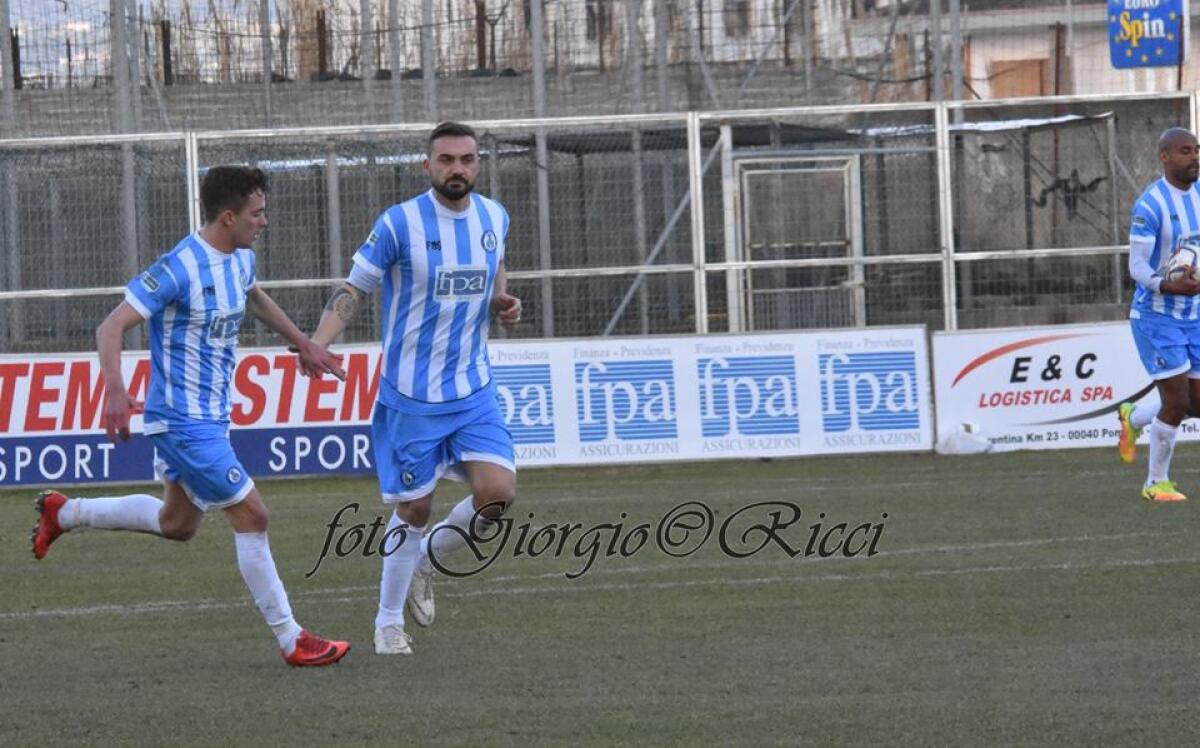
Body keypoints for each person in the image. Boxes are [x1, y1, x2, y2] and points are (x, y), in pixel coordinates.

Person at [30, 166, 352, 667]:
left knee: (177, 524)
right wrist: (115, 390)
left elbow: (253, 295)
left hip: (211, 417)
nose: (264, 221)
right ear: (228, 217)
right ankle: (292, 639)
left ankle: (65, 513)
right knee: (253, 515)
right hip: (182, 421)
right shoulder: (179, 267)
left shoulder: (240, 258)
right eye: (257, 213)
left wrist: (304, 343)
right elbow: (110, 327)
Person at [309, 121, 521, 655]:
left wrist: (501, 300)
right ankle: (387, 623)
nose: (457, 168)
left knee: (497, 494)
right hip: (411, 395)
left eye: (467, 159)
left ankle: (429, 559)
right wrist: (318, 344)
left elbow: (496, 269)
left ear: (478, 164)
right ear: (427, 166)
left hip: (472, 388)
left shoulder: (494, 216)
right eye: (446, 159)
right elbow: (354, 289)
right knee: (414, 510)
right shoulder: (398, 223)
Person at [1120, 127, 1200, 501]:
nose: (1194, 157)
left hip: (1194, 314)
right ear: (1164, 157)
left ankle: (1133, 417)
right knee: (1178, 402)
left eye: (1197, 150)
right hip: (1156, 316)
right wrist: (1168, 285)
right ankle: (1155, 483)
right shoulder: (1150, 205)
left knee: (1194, 404)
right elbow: (1136, 266)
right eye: (1185, 151)